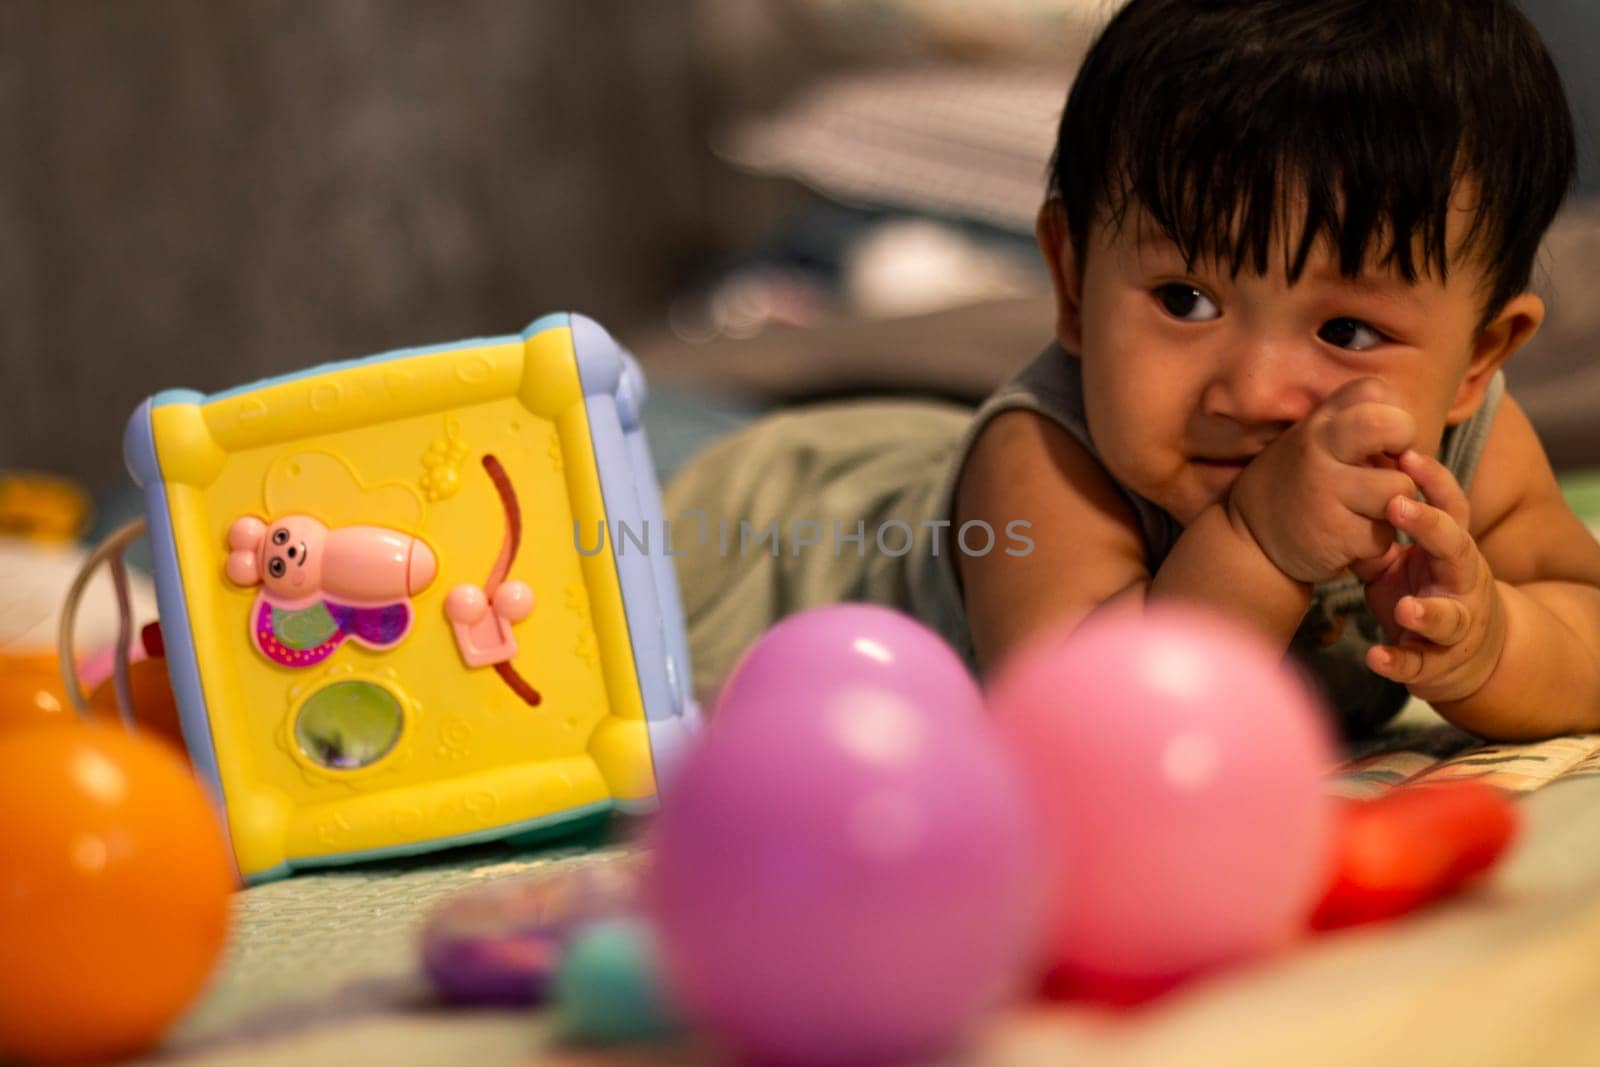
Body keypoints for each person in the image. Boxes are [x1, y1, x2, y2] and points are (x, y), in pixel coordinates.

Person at [664, 0, 1600, 741]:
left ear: (1477, 358)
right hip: (774, 536)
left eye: (1349, 329)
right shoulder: (1045, 465)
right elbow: (1083, 716)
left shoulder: (1466, 448)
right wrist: (1260, 544)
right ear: (1072, 283)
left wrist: (1494, 644)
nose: (1256, 391)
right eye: (1185, 300)